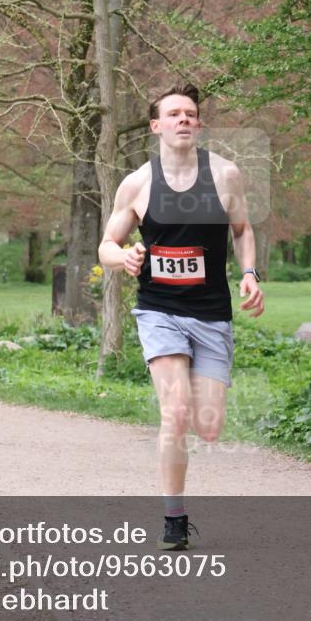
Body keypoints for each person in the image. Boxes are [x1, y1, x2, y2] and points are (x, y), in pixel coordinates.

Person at [98, 83, 264, 550]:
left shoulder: (226, 175)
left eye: (190, 113)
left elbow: (243, 229)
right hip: (159, 310)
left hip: (211, 313)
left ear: (199, 124)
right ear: (156, 126)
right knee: (175, 414)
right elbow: (107, 243)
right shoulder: (137, 184)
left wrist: (249, 272)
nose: (184, 120)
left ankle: (184, 469)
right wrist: (123, 259)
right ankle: (174, 517)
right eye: (174, 114)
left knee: (207, 426)